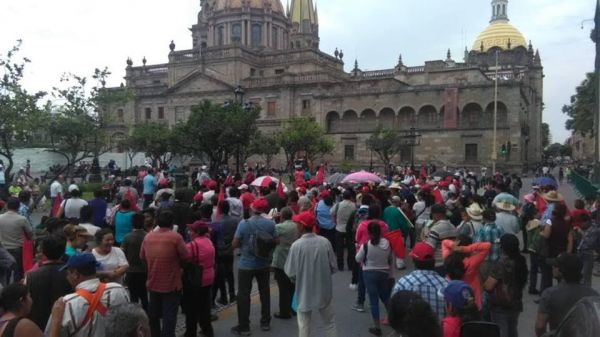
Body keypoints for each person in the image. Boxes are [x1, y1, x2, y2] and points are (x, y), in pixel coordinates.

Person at [45, 253, 130, 337]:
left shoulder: (65, 304)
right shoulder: (118, 290)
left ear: (75, 274)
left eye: (68, 273)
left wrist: (56, 320)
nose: (67, 277)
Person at [284, 211, 337, 337]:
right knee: (329, 323)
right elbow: (333, 268)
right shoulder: (325, 242)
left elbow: (290, 272)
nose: (296, 225)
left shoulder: (296, 246)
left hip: (303, 290)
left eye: (297, 223)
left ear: (302, 226)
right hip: (324, 290)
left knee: (304, 325)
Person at [230, 198, 277, 335]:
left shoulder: (243, 224)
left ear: (252, 209)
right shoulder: (270, 224)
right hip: (263, 263)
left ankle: (244, 326)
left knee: (243, 295)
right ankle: (265, 322)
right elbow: (276, 240)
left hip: (246, 264)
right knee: (265, 292)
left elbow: (234, 244)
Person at [140, 210, 190, 337]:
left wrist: (151, 268)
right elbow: (186, 257)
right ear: (172, 224)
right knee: (169, 316)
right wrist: (180, 268)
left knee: (154, 315)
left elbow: (142, 257)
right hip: (171, 284)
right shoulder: (176, 237)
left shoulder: (148, 237)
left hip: (153, 281)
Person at [535, 253, 599, 337]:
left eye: (556, 266)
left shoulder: (549, 294)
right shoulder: (593, 294)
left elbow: (540, 326)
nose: (553, 267)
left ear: (561, 271)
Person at [482, 234, 527, 337]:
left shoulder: (501, 263)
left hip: (500, 305)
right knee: (512, 330)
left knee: (501, 331)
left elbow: (489, 286)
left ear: (503, 247)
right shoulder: (521, 260)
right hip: (516, 302)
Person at [24, 235, 72, 330]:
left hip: (38, 325)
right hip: (65, 323)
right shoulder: (72, 274)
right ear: (63, 252)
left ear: (43, 252)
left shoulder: (30, 275)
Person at [355, 222, 393, 337]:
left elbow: (358, 259)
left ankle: (377, 327)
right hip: (384, 272)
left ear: (369, 233)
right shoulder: (387, 243)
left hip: (369, 273)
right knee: (385, 297)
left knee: (373, 301)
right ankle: (393, 318)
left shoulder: (366, 245)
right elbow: (390, 257)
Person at [393, 242, 448, 320]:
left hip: (410, 330)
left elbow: (394, 314)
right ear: (433, 261)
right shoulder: (446, 285)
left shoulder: (403, 283)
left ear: (413, 261)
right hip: (438, 330)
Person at [182, 221, 215, 337]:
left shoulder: (191, 246)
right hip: (208, 278)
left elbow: (183, 260)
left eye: (192, 230)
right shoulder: (209, 242)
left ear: (197, 232)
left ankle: (190, 332)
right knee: (205, 306)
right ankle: (207, 330)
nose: (189, 232)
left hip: (195, 280)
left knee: (191, 309)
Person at [442, 236, 491, 308]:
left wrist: (453, 245)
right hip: (472, 300)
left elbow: (444, 242)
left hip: (452, 298)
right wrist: (465, 249)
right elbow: (487, 246)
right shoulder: (472, 263)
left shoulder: (448, 258)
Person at [271, 207, 299, 319]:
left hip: (281, 258)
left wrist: (273, 218)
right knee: (293, 285)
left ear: (281, 216)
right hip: (294, 257)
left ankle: (284, 311)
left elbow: (273, 236)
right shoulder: (297, 225)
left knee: (283, 288)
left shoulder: (279, 226)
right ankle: (294, 308)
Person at [211, 200, 240, 305]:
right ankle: (232, 295)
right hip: (230, 249)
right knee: (229, 273)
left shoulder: (216, 222)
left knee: (220, 275)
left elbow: (213, 238)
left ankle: (223, 297)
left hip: (219, 251)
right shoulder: (234, 221)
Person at [540, 203, 572, 291]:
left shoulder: (550, 221)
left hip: (550, 251)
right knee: (561, 275)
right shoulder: (567, 224)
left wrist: (541, 233)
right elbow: (570, 240)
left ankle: (545, 295)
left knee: (547, 275)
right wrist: (568, 253)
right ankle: (561, 294)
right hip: (562, 251)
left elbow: (546, 235)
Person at [0, 198, 33, 282]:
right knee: (18, 271)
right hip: (17, 249)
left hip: (2, 249)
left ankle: (5, 288)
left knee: (4, 271)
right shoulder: (22, 219)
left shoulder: (0, 218)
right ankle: (16, 289)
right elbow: (30, 234)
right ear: (18, 207)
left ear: (7, 206)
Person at [121, 213, 148, 310]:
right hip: (144, 270)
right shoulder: (148, 236)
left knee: (133, 297)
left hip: (131, 270)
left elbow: (122, 252)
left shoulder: (127, 237)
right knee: (144, 296)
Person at [382, 196, 412, 269]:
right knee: (399, 250)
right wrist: (405, 231)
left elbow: (383, 219)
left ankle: (386, 263)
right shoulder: (398, 211)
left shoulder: (386, 209)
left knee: (387, 249)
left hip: (387, 232)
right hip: (396, 233)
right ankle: (400, 265)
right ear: (398, 202)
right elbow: (403, 223)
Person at [331, 190, 357, 271]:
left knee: (339, 248)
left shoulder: (338, 205)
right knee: (350, 248)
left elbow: (331, 213)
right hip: (350, 229)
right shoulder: (353, 205)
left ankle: (340, 266)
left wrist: (336, 219)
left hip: (339, 228)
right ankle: (350, 265)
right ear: (350, 197)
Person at [573, 213, 600, 286]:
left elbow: (590, 243)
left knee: (586, 276)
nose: (581, 225)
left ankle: (587, 293)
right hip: (580, 252)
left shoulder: (595, 230)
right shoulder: (583, 228)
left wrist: (581, 233)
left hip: (588, 254)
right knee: (578, 274)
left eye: (582, 223)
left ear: (587, 222)